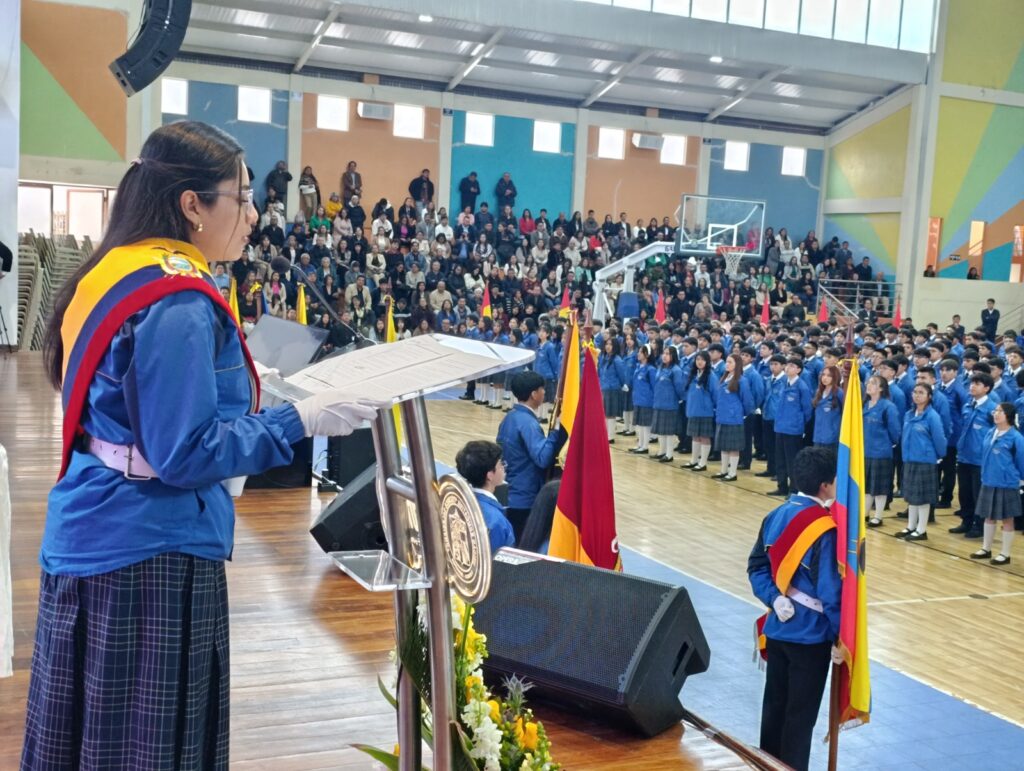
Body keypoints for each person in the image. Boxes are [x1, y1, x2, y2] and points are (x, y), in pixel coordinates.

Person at [24, 121, 378, 769]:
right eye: (240, 197)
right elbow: (181, 452)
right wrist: (296, 421)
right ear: (192, 204)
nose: (253, 214)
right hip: (149, 553)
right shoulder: (179, 301)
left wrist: (241, 388)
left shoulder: (117, 268)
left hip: (95, 528)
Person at [747, 446, 842, 771]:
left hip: (777, 629)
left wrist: (773, 598)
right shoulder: (825, 530)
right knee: (799, 722)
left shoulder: (774, 515)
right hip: (811, 637)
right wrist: (841, 637)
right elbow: (831, 592)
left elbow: (756, 567)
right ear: (826, 486)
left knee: (773, 711)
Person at [495, 371, 568, 541]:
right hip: (525, 498)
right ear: (534, 394)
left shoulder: (510, 418)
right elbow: (542, 458)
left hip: (511, 493)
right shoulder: (527, 423)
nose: (544, 393)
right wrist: (556, 431)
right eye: (542, 389)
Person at [968, 402, 1024, 565]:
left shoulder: (1016, 438)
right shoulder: (990, 432)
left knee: (1007, 519)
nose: (996, 414)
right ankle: (986, 548)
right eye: (995, 411)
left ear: (1009, 416)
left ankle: (1005, 553)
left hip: (1007, 483)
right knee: (988, 517)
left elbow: (1021, 462)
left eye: (1000, 411)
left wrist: (1019, 480)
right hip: (989, 479)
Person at [897, 383, 947, 541]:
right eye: (915, 392)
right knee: (912, 496)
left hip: (925, 460)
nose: (917, 395)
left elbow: (939, 439)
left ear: (929, 396)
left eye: (921, 393)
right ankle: (911, 526)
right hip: (910, 459)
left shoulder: (932, 416)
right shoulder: (909, 414)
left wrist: (938, 455)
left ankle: (921, 529)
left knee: (923, 498)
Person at [951, 372, 996, 538]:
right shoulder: (968, 405)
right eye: (972, 383)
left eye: (977, 384)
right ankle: (966, 521)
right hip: (964, 456)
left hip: (980, 459)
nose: (972, 386)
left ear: (987, 388)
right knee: (965, 492)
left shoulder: (992, 409)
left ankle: (979, 525)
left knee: (979, 494)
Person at [455, 440, 516, 554]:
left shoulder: (455, 504)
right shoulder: (497, 522)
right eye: (500, 464)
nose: (503, 466)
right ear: (490, 475)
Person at [769, 358, 813, 496]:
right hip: (780, 427)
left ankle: (794, 488)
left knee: (792, 460)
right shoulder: (783, 383)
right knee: (780, 459)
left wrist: (799, 424)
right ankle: (781, 486)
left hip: (793, 429)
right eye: (787, 365)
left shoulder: (802, 387)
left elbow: (807, 410)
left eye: (792, 366)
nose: (788, 368)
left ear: (799, 370)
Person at [863, 376, 902, 527]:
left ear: (881, 388)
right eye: (869, 382)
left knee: (879, 487)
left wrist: (889, 443)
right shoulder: (865, 404)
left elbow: (895, 432)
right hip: (866, 451)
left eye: (873, 383)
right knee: (867, 486)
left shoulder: (888, 406)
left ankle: (878, 516)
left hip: (881, 452)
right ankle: (865, 513)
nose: (869, 385)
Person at [712, 353, 754, 481]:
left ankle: (732, 473)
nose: (727, 364)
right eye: (727, 362)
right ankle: (724, 470)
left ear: (737, 365)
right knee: (724, 446)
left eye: (730, 362)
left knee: (733, 447)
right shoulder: (724, 378)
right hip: (722, 416)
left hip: (734, 417)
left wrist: (743, 414)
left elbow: (747, 401)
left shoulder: (742, 380)